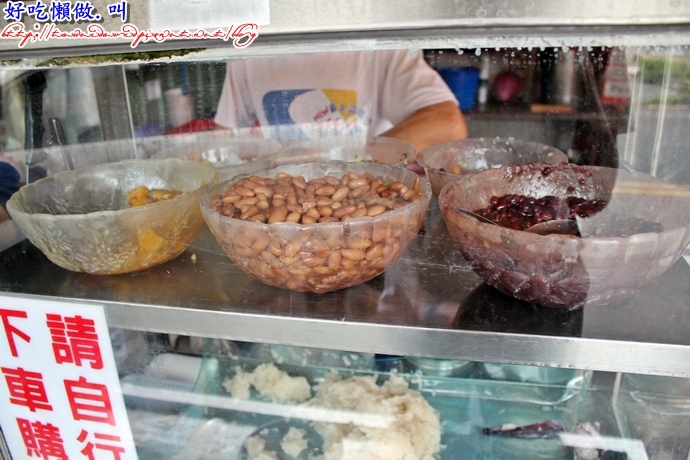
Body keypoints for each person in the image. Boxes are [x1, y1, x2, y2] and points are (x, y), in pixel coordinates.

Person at [214, 49, 468, 152]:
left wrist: (356, 163)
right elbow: (225, 139)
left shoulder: (381, 43)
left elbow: (447, 124)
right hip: (280, 207)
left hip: (363, 205)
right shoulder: (250, 47)